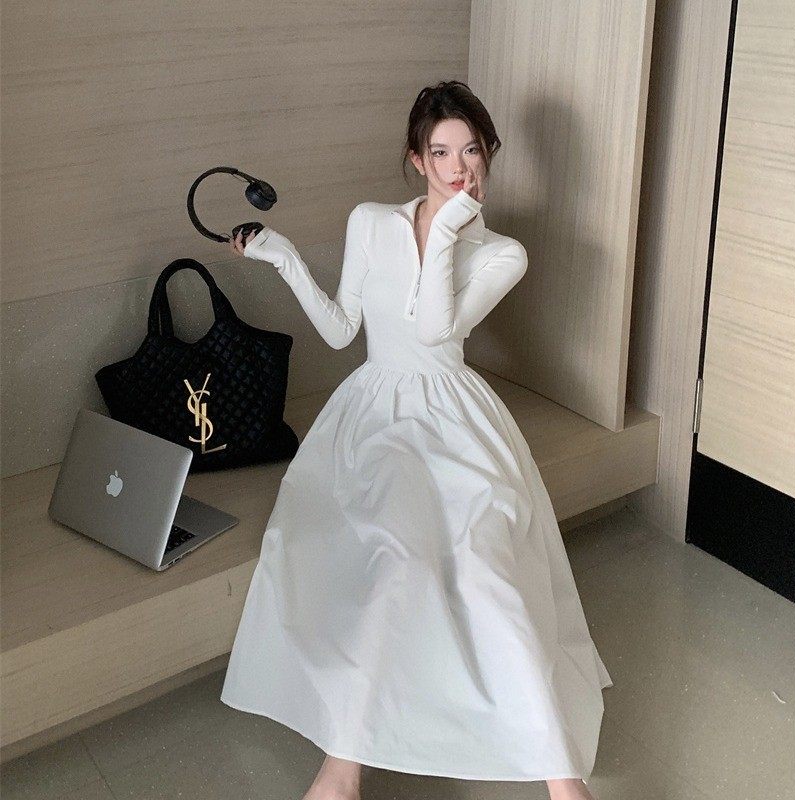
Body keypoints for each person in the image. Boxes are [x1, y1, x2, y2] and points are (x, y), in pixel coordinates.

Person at [220, 80, 612, 800]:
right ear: (415, 158)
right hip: (378, 416)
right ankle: (342, 771)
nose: (458, 167)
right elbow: (341, 329)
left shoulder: (503, 253)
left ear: (488, 154)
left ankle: (564, 782)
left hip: (456, 418)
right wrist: (282, 256)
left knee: (489, 569)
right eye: (440, 152)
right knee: (395, 560)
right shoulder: (370, 222)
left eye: (471, 150)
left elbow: (436, 330)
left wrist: (453, 226)